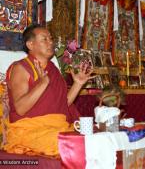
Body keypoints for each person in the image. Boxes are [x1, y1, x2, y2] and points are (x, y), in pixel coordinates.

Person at [4, 24, 95, 156]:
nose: (50, 42)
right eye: (44, 39)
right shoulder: (21, 68)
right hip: (30, 131)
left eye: (50, 38)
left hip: (56, 128)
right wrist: (43, 83)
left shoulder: (53, 69)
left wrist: (77, 84)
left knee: (92, 139)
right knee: (75, 144)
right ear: (30, 44)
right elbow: (20, 108)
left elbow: (62, 104)